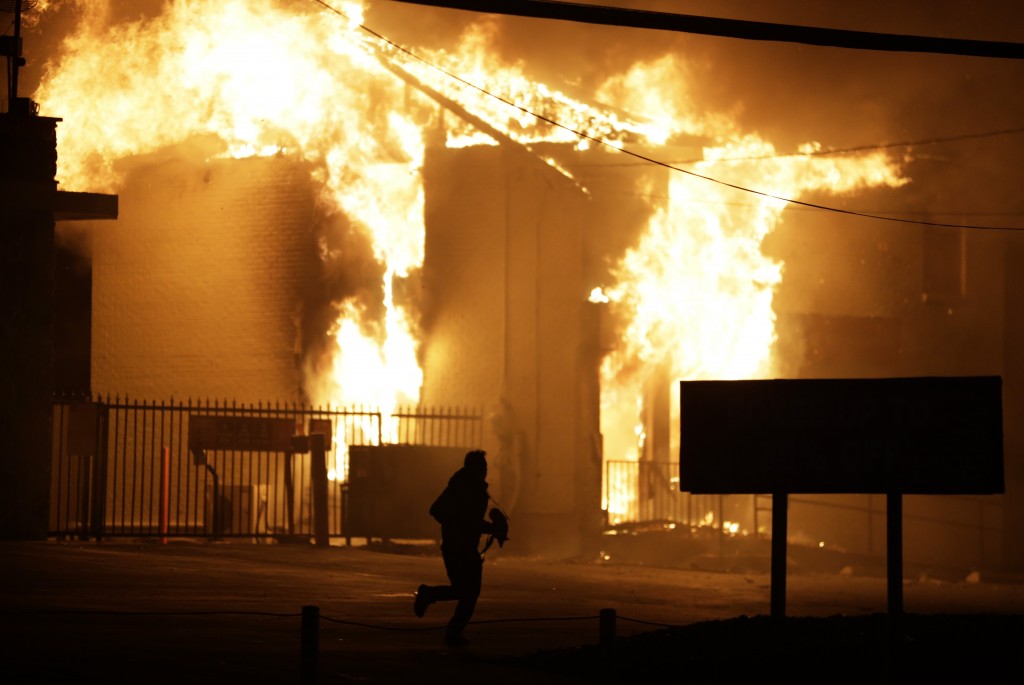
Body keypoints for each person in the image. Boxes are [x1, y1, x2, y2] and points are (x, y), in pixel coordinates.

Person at [413, 449, 508, 646]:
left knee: (463, 591)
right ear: (472, 468)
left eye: (485, 467)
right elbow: (454, 516)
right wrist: (459, 525)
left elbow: (460, 518)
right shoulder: (463, 489)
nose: (485, 471)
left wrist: (457, 525)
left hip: (460, 547)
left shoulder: (467, 488)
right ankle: (451, 631)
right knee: (469, 593)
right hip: (459, 548)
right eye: (482, 467)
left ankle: (431, 598)